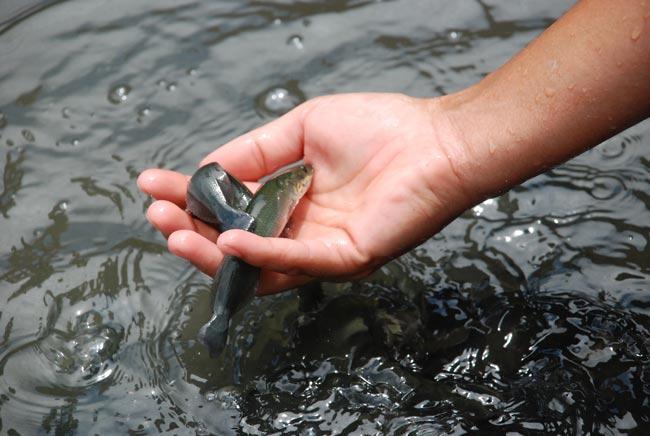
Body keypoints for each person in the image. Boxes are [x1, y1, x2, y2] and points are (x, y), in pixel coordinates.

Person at [138, 0, 650, 295]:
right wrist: (452, 138)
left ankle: (227, 301)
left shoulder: (272, 195)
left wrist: (450, 142)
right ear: (292, 192)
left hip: (245, 223)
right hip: (250, 221)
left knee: (233, 234)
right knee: (238, 233)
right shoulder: (277, 197)